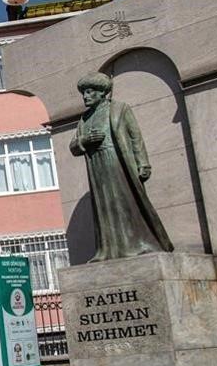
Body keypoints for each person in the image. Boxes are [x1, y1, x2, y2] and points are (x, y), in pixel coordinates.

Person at [69, 72, 173, 261]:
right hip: (97, 167)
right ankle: (109, 250)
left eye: (89, 91)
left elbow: (135, 137)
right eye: (83, 92)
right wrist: (85, 139)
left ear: (102, 92)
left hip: (117, 162)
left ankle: (138, 244)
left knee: (126, 204)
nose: (85, 96)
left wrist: (143, 163)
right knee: (105, 208)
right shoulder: (84, 119)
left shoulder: (119, 109)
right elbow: (73, 146)